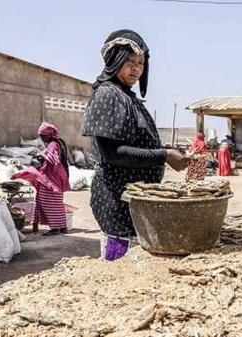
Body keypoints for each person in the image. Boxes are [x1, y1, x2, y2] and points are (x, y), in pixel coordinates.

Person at [82, 29, 189, 261]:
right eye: (129, 61)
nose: (136, 68)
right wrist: (163, 155)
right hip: (117, 201)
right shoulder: (108, 95)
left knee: (133, 270)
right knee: (119, 268)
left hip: (132, 201)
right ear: (114, 60)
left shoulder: (126, 96)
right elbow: (112, 152)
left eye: (140, 63)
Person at [34, 122, 71, 236]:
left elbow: (52, 159)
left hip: (52, 178)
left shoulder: (53, 145)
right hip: (57, 177)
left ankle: (55, 228)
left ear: (48, 135)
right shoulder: (59, 143)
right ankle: (62, 226)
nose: (41, 138)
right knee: (57, 202)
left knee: (47, 201)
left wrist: (41, 156)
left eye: (42, 136)